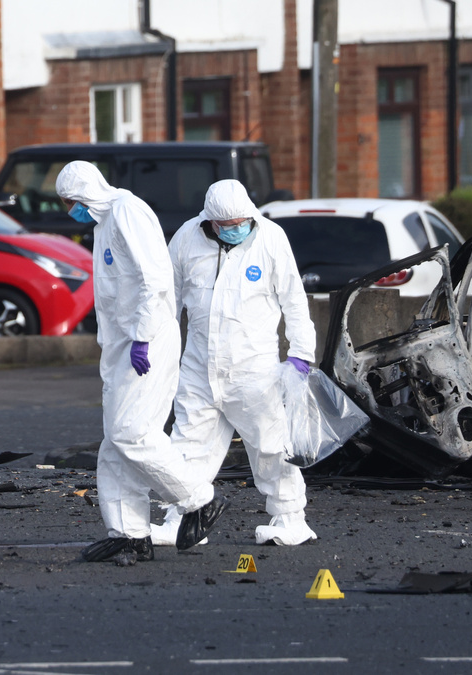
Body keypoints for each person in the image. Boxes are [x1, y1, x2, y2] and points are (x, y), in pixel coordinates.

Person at [55, 161, 228, 563]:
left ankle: (199, 499)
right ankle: (129, 533)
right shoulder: (104, 223)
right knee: (115, 442)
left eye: (70, 202)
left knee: (132, 432)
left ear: (84, 193)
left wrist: (143, 337)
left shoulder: (126, 212)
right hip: (124, 344)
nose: (70, 210)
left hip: (145, 342)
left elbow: (154, 279)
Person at [159, 179, 317, 546]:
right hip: (199, 367)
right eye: (228, 225)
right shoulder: (186, 239)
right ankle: (180, 520)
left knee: (270, 447)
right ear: (210, 221)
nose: (236, 229)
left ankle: (290, 519)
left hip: (255, 370)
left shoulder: (271, 238)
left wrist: (301, 354)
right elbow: (167, 299)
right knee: (186, 444)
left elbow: (294, 299)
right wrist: (156, 347)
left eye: (242, 223)